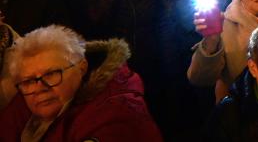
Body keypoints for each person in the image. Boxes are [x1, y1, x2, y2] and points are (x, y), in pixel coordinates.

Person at [0, 25, 162, 140]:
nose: (39, 88)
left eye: (51, 74)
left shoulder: (115, 113)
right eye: (28, 81)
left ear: (82, 67)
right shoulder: (28, 96)